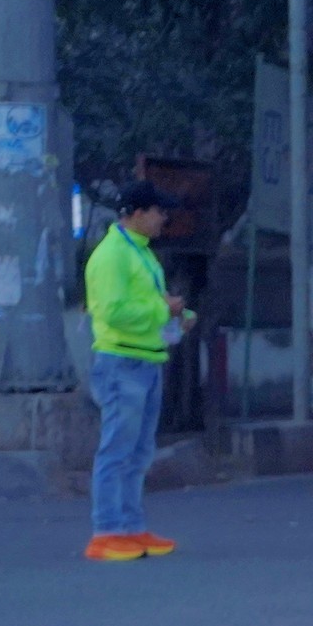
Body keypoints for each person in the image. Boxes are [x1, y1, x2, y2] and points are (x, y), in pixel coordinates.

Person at [79, 180, 183, 562]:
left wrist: (176, 314)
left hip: (144, 359)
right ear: (138, 213)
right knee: (118, 450)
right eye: (158, 211)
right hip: (122, 362)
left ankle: (130, 527)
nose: (163, 219)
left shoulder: (138, 252)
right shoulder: (113, 255)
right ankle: (107, 531)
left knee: (137, 452)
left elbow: (143, 303)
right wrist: (164, 311)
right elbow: (112, 312)